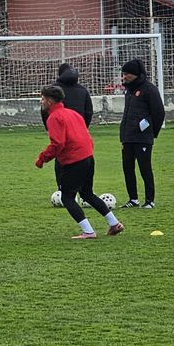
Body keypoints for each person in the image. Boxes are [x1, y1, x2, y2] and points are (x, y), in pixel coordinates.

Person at [34, 85, 124, 239]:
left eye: (42, 99)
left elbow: (58, 144)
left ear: (49, 101)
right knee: (87, 193)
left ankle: (88, 231)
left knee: (67, 197)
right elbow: (86, 135)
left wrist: (43, 158)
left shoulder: (54, 117)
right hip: (88, 157)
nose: (40, 102)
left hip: (74, 160)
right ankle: (114, 224)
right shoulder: (73, 113)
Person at [118, 58, 165, 209]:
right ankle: (133, 199)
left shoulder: (149, 89)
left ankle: (149, 201)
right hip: (128, 137)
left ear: (136, 74)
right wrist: (123, 134)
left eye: (127, 74)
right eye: (123, 73)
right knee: (127, 168)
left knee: (145, 168)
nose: (124, 76)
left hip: (143, 138)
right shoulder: (129, 90)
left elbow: (158, 113)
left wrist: (150, 132)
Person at [40, 64, 94, 194]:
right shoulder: (83, 90)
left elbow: (44, 112)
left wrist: (50, 128)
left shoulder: (53, 91)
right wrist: (82, 128)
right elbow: (89, 111)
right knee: (84, 160)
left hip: (61, 132)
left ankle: (63, 190)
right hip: (81, 136)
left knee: (61, 158)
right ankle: (85, 192)